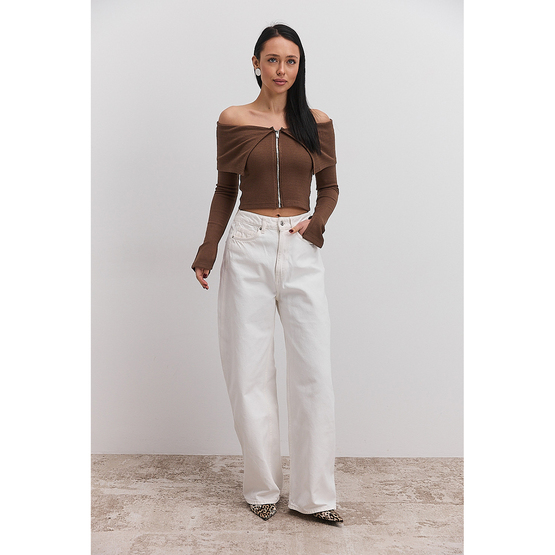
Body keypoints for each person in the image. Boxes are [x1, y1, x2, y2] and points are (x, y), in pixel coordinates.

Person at [191, 23, 342, 523]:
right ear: (256, 63)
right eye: (273, 59)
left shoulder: (317, 122)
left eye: (291, 61)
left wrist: (315, 224)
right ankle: (262, 489)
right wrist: (208, 248)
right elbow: (225, 189)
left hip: (300, 248)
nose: (282, 69)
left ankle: (314, 497)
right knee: (249, 372)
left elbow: (330, 189)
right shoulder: (234, 119)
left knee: (314, 374)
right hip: (248, 245)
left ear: (300, 66)